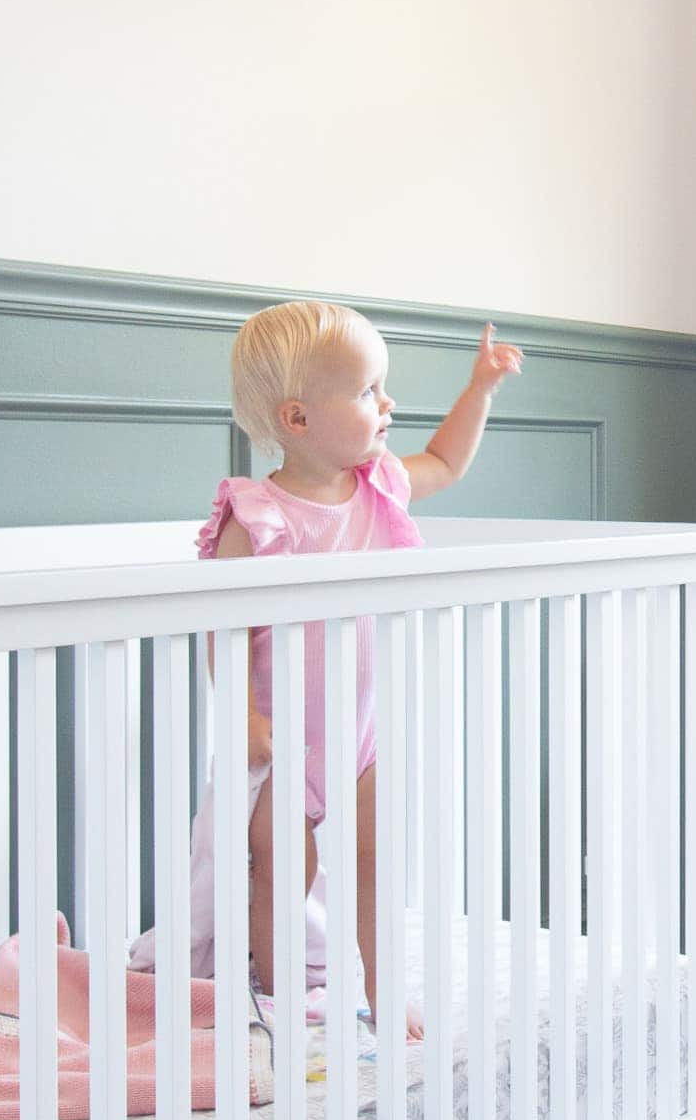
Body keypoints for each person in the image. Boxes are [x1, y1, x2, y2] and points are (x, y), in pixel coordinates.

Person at [196, 298, 523, 1017]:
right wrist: (244, 714)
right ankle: (280, 998)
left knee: (376, 864)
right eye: (367, 390)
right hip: (281, 744)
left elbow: (444, 460)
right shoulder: (256, 516)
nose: (387, 402)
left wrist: (480, 389)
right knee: (280, 871)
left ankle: (382, 990)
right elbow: (221, 628)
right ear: (297, 419)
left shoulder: (381, 487)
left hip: (362, 734)